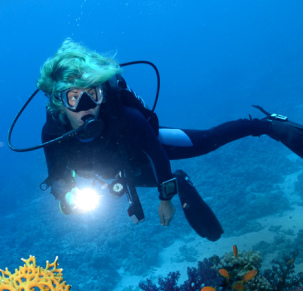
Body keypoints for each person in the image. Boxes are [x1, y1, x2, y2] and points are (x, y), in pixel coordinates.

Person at [38, 38, 303, 242]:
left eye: (93, 93)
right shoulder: (52, 134)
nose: (86, 105)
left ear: (102, 94)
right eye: (73, 97)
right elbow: (58, 178)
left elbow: (157, 155)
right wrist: (68, 197)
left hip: (144, 148)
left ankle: (266, 125)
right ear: (59, 103)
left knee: (207, 140)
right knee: (158, 177)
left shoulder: (125, 117)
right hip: (118, 170)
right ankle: (180, 182)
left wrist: (165, 200)